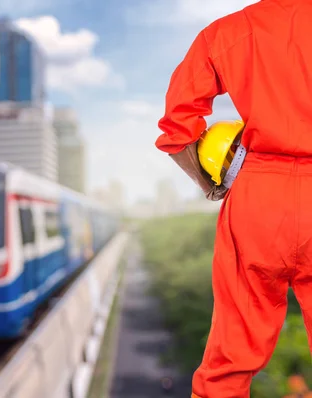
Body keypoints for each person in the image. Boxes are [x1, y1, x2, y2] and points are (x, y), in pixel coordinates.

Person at [155, 1, 312, 397]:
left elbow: (177, 129)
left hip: (258, 197)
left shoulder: (231, 31)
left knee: (230, 358)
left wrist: (210, 185)